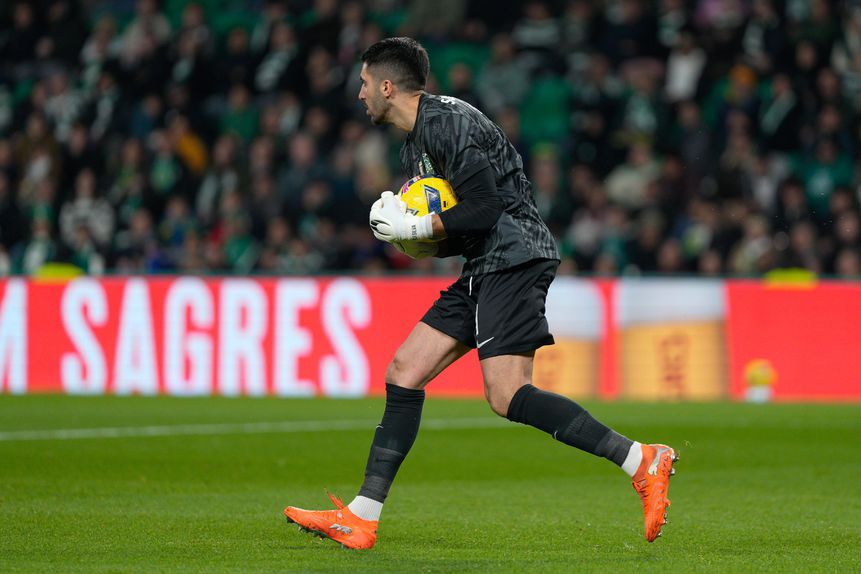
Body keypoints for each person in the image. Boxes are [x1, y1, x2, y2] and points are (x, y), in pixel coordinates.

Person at [283, 37, 677, 550]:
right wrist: (411, 233)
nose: (359, 95)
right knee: (404, 371)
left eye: (363, 84)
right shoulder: (415, 144)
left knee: (507, 393)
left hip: (514, 254)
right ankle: (362, 516)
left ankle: (640, 459)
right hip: (485, 261)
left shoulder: (446, 123)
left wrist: (422, 227)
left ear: (386, 86)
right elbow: (460, 227)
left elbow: (487, 207)